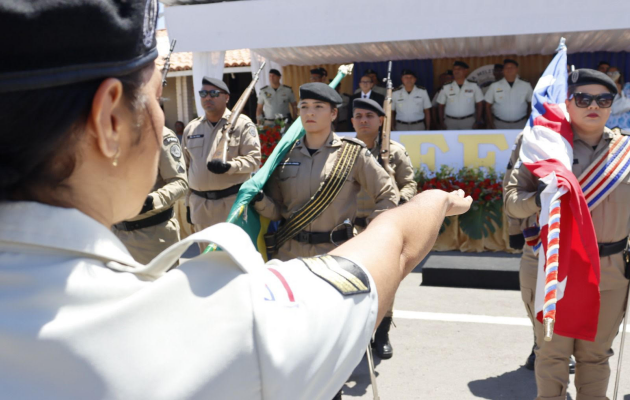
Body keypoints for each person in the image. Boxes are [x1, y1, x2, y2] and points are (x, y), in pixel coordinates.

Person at [0, 2, 474, 399]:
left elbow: (383, 200)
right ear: (110, 122)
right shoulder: (233, 321)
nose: (165, 112)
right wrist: (432, 203)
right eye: (157, 96)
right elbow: (386, 252)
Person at [504, 69, 628, 399]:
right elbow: (512, 202)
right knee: (552, 356)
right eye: (583, 98)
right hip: (551, 263)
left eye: (603, 99)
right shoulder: (542, 146)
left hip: (610, 268)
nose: (594, 105)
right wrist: (541, 199)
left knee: (595, 357)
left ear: (611, 106)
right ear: (567, 103)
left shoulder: (626, 154)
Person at [253, 83, 399, 262]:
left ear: (333, 114)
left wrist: (368, 235)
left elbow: (388, 194)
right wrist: (259, 199)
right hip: (289, 254)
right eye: (304, 106)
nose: (310, 112)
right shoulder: (285, 155)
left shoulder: (352, 153)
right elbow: (276, 211)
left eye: (318, 107)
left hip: (336, 254)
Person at [351, 98, 417, 359]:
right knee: (354, 282)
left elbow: (409, 184)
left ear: (381, 121)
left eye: (369, 115)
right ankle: (359, 335)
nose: (363, 120)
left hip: (384, 227)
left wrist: (397, 202)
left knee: (386, 282)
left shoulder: (395, 151)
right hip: (351, 228)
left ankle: (382, 334)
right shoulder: (343, 150)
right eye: (358, 116)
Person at [183, 76, 261, 233]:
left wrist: (230, 166)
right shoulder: (191, 128)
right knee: (206, 257)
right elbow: (185, 169)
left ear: (226, 97)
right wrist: (187, 204)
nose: (208, 98)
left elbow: (254, 160)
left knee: (233, 256)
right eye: (203, 94)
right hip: (200, 207)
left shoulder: (242, 124)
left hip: (231, 204)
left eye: (213, 93)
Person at [113, 127, 188, 264]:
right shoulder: (112, 136)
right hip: (117, 235)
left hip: (153, 236)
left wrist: (152, 201)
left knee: (162, 285)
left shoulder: (161, 135)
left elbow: (180, 183)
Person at [485, 59, 533, 130]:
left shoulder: (526, 85)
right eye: (506, 67)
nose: (509, 69)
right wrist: (491, 124)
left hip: (521, 124)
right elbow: (487, 106)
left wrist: (529, 123)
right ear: (503, 70)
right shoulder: (494, 86)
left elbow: (531, 104)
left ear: (517, 69)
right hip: (499, 124)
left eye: (512, 67)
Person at [437, 61, 484, 130]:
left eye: (459, 69)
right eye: (454, 69)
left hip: (468, 121)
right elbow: (440, 105)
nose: (456, 71)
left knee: (468, 140)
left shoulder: (474, 86)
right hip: (450, 121)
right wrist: (441, 122)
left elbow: (479, 104)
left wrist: (478, 121)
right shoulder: (446, 86)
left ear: (466, 71)